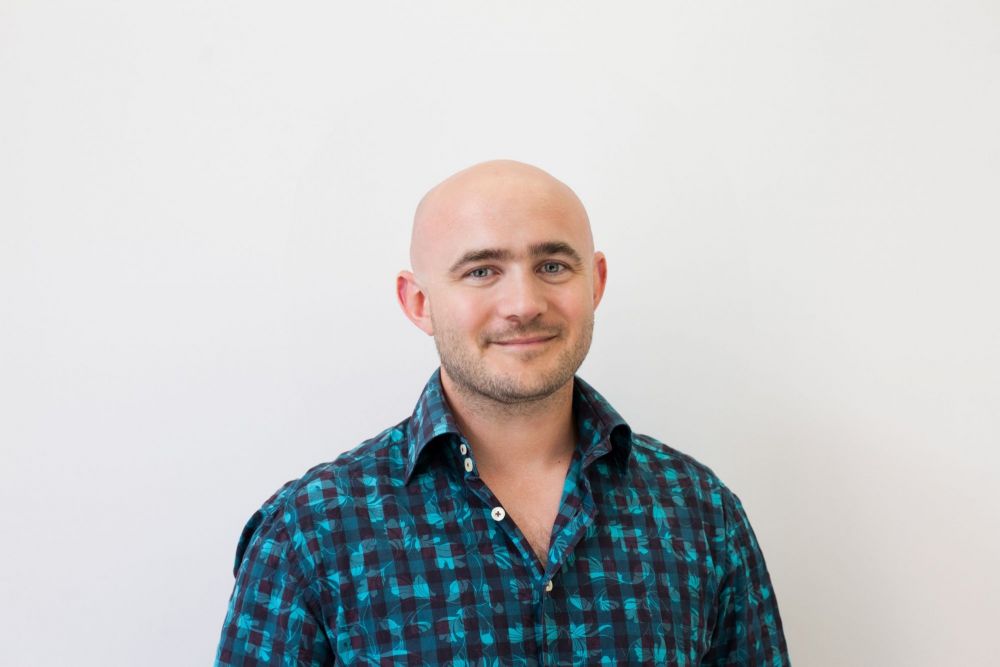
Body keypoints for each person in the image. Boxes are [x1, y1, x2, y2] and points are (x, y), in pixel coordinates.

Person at [215, 160, 790, 665]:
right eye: (481, 271)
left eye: (553, 266)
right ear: (419, 302)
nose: (523, 305)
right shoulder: (311, 532)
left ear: (596, 283)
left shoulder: (701, 513)